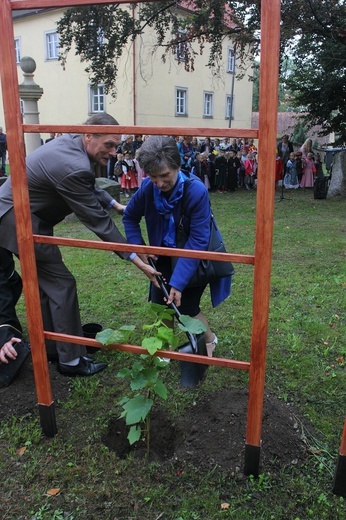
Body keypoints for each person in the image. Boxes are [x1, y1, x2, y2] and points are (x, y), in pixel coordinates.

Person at [0, 113, 160, 377]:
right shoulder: (73, 164)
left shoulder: (72, 145)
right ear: (88, 135)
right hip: (19, 220)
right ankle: (71, 360)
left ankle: (54, 346)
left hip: (20, 216)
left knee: (45, 285)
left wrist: (114, 204)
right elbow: (98, 223)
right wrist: (137, 259)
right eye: (108, 145)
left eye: (116, 145)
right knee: (61, 284)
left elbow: (87, 185)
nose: (112, 151)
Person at [123, 135, 233, 357]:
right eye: (154, 178)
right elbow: (129, 217)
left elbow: (199, 240)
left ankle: (210, 339)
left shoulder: (196, 191)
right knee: (160, 302)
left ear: (177, 165)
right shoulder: (147, 188)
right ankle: (166, 348)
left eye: (165, 176)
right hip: (162, 257)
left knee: (186, 307)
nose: (160, 184)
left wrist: (179, 282)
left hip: (192, 257)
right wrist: (142, 251)